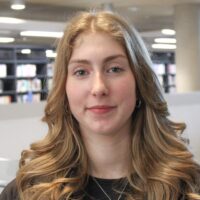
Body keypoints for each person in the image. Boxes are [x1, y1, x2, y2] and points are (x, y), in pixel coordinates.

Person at [1, 11, 200, 200]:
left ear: (139, 82)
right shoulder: (26, 192)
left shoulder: (189, 187)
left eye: (114, 69)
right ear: (64, 88)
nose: (98, 88)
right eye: (81, 72)